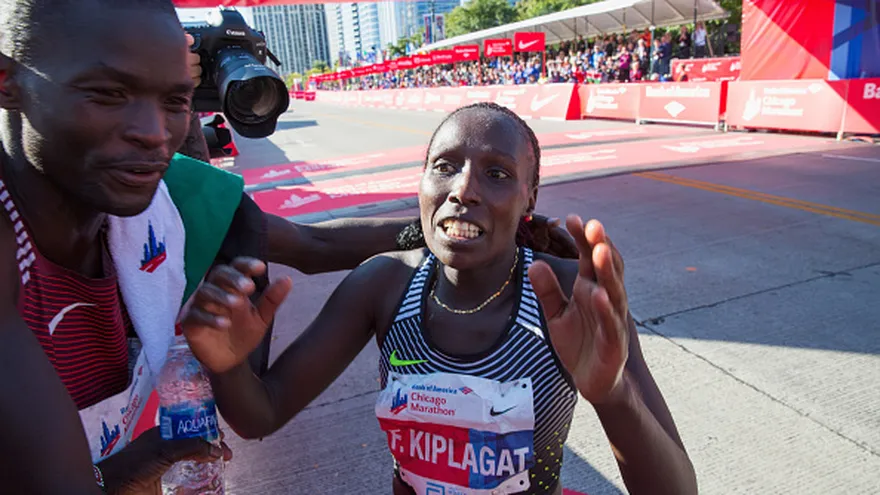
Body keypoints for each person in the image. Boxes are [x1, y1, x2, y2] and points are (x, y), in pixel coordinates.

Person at [0, 1, 573, 492]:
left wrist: (457, 232)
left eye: (175, 101)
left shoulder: (164, 192)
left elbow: (308, 243)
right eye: (108, 93)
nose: (152, 131)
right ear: (8, 82)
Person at [183, 103, 698, 495]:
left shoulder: (570, 298)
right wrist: (228, 366)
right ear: (423, 181)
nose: (464, 189)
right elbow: (260, 414)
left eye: (497, 173)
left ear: (530, 197)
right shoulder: (382, 284)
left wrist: (612, 395)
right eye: (445, 166)